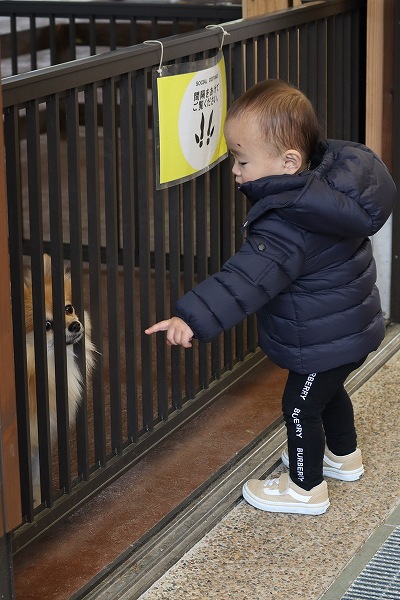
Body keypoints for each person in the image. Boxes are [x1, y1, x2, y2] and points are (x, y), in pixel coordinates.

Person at [145, 79, 396, 515]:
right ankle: (343, 456)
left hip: (328, 334)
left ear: (288, 161)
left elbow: (245, 279)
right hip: (348, 329)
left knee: (299, 407)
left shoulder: (289, 221)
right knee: (326, 392)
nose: (235, 171)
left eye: (241, 160)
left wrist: (192, 318)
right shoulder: (328, 193)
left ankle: (305, 489)